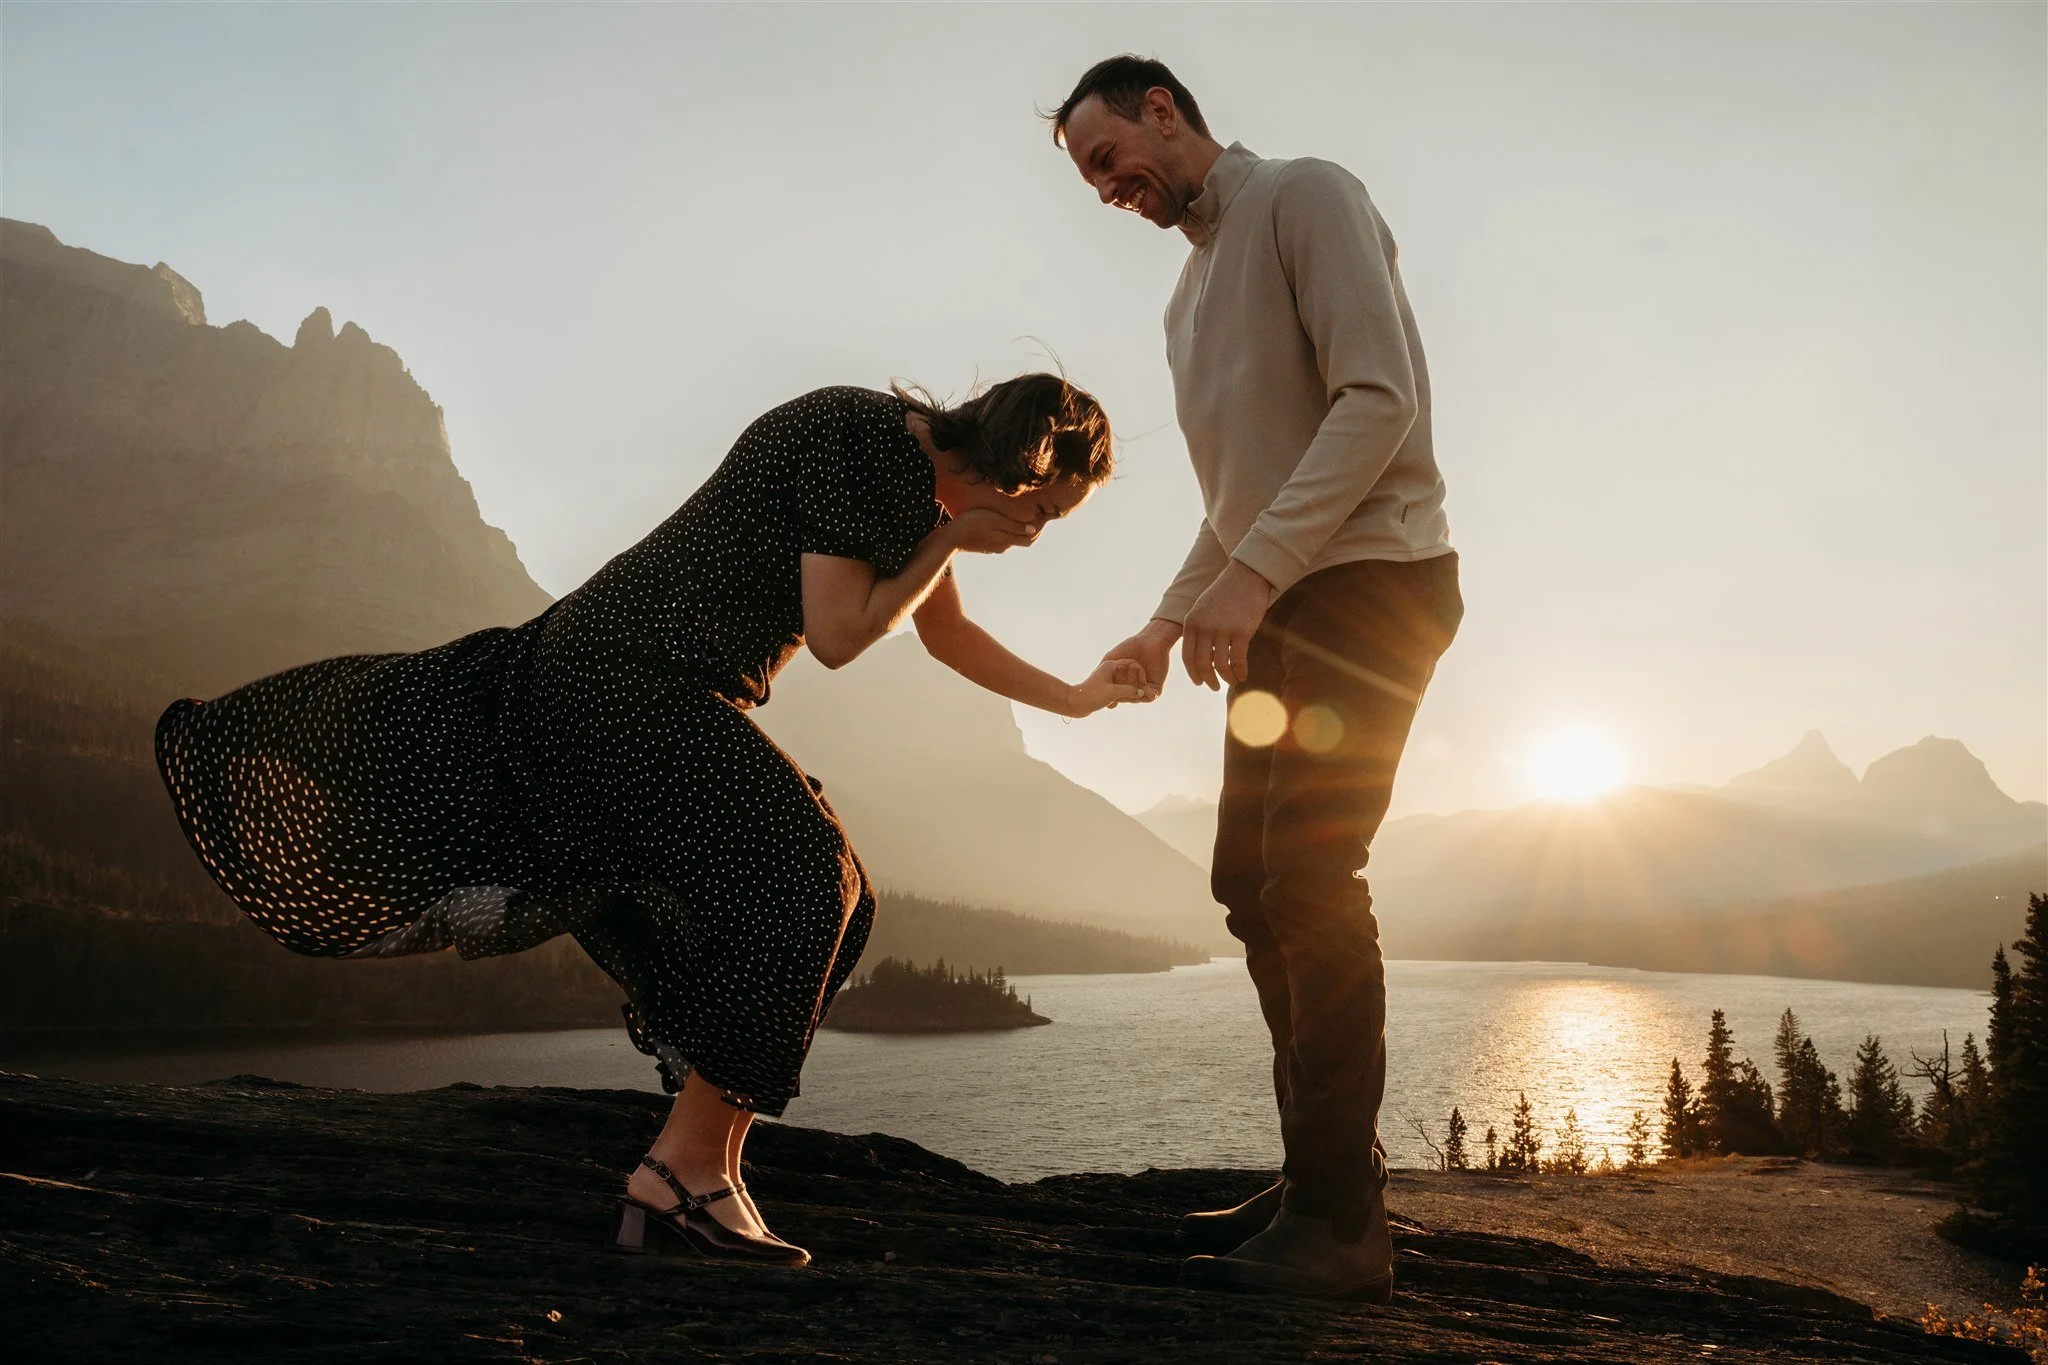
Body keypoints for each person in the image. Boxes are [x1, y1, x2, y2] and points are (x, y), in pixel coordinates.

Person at [155, 376, 1151, 1268]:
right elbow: (845, 634)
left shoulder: (909, 486)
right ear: (1025, 464)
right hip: (623, 676)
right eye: (1045, 511)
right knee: (812, 876)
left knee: (840, 901)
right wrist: (948, 538)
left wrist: (1074, 697)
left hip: (651, 684)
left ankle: (700, 1172)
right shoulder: (866, 443)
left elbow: (944, 630)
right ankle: (681, 1178)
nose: (1035, 533)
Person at [1051, 56, 1463, 1299]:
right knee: (1249, 881)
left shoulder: (1304, 196)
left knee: (1308, 875)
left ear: (1162, 111)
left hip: (1376, 580)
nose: (1104, 186)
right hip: (1282, 599)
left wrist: (1249, 581)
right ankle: (1320, 1180)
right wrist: (1165, 622)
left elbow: (1376, 400)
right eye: (1085, 179)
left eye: (1107, 155)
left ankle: (1342, 1228)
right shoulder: (1183, 303)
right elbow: (1234, 503)